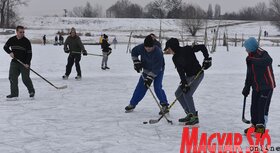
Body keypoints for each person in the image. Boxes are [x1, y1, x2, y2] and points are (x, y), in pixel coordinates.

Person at [164, 38, 212, 125]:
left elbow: (202, 47)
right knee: (178, 93)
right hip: (188, 76)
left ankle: (194, 116)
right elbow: (180, 71)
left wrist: (207, 59)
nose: (168, 50)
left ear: (173, 47)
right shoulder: (175, 58)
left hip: (197, 74)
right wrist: (184, 82)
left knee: (187, 94)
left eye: (169, 48)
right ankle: (189, 113)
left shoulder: (187, 49)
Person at [125, 35, 169, 114]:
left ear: (153, 46)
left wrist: (149, 78)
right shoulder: (141, 47)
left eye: (150, 47)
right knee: (140, 87)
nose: (148, 49)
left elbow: (157, 68)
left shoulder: (158, 52)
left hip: (158, 71)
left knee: (157, 87)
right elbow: (134, 52)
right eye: (146, 47)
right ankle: (132, 104)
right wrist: (136, 62)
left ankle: (164, 105)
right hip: (146, 69)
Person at [242, 37, 275, 134]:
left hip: (267, 85)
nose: (246, 50)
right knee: (254, 106)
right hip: (256, 86)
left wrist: (253, 60)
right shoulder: (249, 58)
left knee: (261, 106)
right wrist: (246, 87)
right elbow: (249, 74)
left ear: (251, 47)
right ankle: (254, 125)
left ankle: (261, 128)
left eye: (247, 48)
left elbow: (268, 61)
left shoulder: (262, 53)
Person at [3, 25, 35, 100]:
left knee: (25, 79)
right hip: (15, 62)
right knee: (12, 77)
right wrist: (10, 52)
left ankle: (31, 91)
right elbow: (5, 47)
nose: (22, 33)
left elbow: (29, 53)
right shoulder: (12, 39)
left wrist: (27, 63)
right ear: (16, 32)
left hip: (24, 63)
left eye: (23, 32)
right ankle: (14, 94)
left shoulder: (26, 41)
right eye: (20, 32)